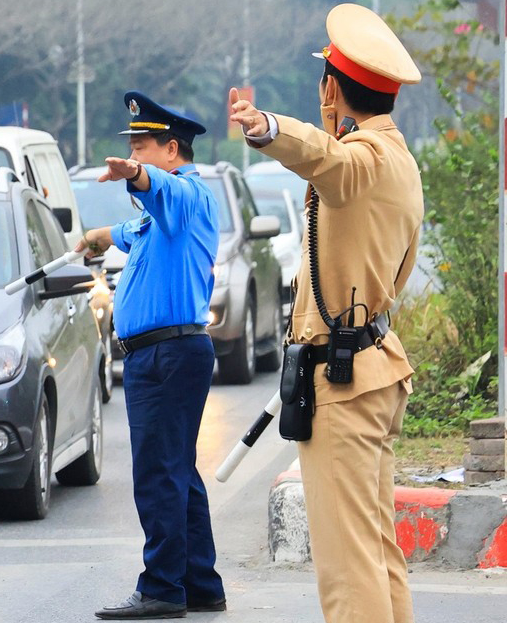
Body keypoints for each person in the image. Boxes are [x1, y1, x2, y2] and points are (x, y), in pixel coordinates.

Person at [229, 4, 423, 622]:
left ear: (332, 87)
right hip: (371, 366)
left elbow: (327, 161)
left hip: (343, 382)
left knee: (346, 567)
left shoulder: (361, 162)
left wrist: (265, 126)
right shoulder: (396, 158)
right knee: (375, 550)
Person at [80, 91, 224, 620]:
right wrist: (98, 236)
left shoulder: (187, 195)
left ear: (172, 150)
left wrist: (136, 177)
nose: (135, 155)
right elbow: (132, 231)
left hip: (167, 355)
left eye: (142, 146)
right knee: (177, 470)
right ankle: (200, 582)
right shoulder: (155, 217)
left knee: (157, 475)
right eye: (132, 148)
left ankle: (162, 586)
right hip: (166, 354)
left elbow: (161, 192)